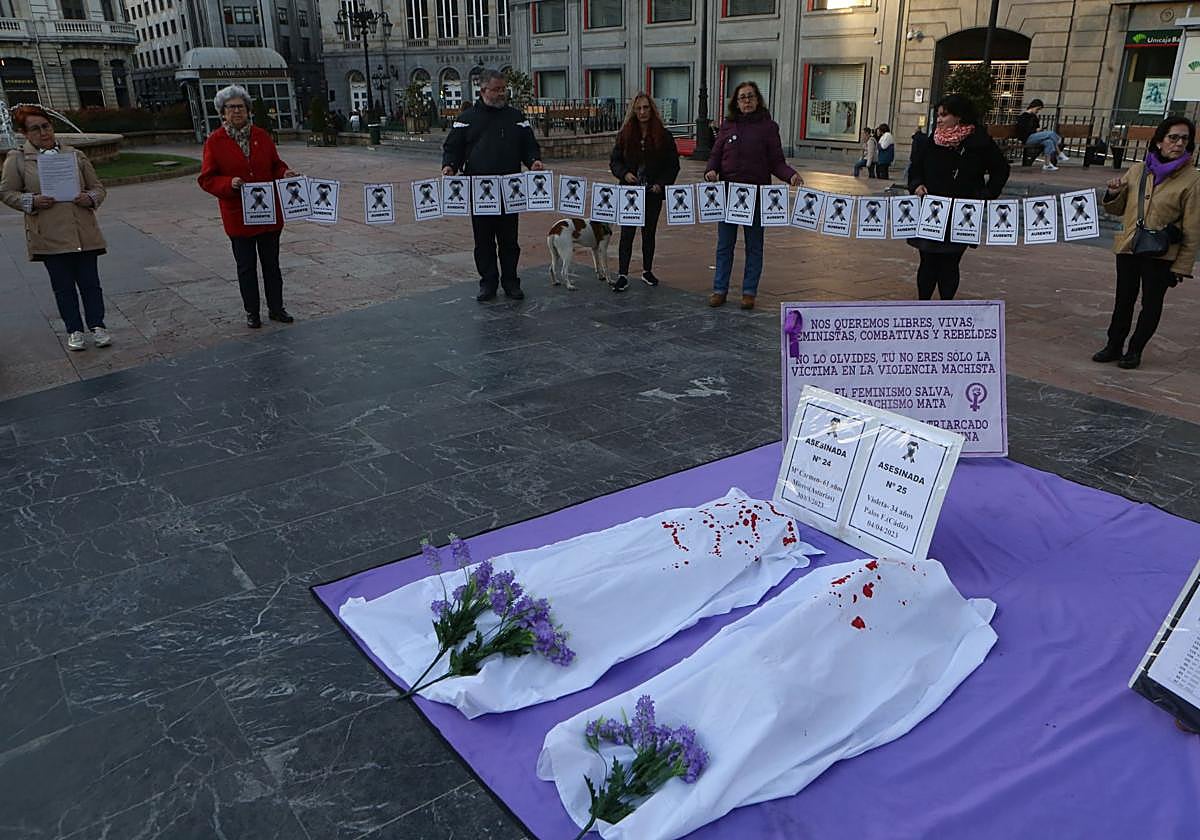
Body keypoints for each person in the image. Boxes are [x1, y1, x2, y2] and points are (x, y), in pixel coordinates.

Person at [1, 105, 112, 352]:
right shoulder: (17, 159)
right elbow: (6, 192)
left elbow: (98, 187)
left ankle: (98, 325)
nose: (43, 133)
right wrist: (31, 201)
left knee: (90, 283)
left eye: (46, 126)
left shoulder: (75, 155)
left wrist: (90, 198)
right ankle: (74, 329)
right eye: (35, 129)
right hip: (49, 233)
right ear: (24, 134)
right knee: (63, 286)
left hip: (82, 229)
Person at [1094, 116, 1200, 370]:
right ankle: (1113, 345)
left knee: (1151, 304)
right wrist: (1113, 192)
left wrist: (1181, 267)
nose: (1178, 143)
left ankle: (1134, 349)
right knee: (1123, 300)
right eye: (1173, 137)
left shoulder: (1192, 179)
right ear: (1159, 141)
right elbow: (1118, 209)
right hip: (1130, 247)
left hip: (1161, 252)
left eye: (1184, 139)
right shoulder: (1138, 170)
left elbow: (1193, 227)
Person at [198, 84, 297, 328]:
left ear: (248, 110)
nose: (236, 111)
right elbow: (207, 179)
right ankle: (252, 311)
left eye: (240, 107)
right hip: (239, 216)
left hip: (268, 214)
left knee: (272, 265)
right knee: (246, 268)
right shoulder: (215, 141)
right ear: (223, 112)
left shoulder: (261, 136)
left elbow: (275, 164)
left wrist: (284, 173)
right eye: (230, 108)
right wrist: (228, 183)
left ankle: (277, 308)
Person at [442, 68, 544, 302]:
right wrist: (449, 166)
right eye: (496, 89)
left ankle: (511, 282)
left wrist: (533, 161)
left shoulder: (516, 117)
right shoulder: (466, 119)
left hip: (510, 189)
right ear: (483, 90)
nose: (501, 94)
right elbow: (453, 148)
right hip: (479, 191)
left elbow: (529, 145)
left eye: (503, 89)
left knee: (509, 241)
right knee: (483, 241)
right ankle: (488, 282)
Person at [704, 81, 804, 310]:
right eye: (742, 97)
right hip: (729, 194)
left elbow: (776, 162)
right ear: (736, 103)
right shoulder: (728, 126)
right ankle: (720, 289)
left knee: (754, 246)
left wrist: (791, 176)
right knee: (724, 245)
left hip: (757, 196)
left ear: (757, 99)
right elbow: (715, 154)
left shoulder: (768, 127)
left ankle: (749, 292)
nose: (747, 101)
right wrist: (710, 170)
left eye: (750, 96)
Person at [906, 94, 1010, 301]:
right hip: (932, 211)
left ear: (959, 117)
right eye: (938, 115)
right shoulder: (930, 141)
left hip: (962, 213)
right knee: (927, 261)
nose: (940, 120)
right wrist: (916, 185)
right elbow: (915, 169)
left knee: (950, 262)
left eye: (944, 115)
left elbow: (1001, 169)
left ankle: (947, 306)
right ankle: (922, 304)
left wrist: (987, 193)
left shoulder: (979, 142)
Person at [608, 92, 680, 292]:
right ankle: (622, 274)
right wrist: (624, 174)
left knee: (649, 234)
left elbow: (673, 165)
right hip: (630, 193)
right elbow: (615, 162)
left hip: (652, 192)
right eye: (638, 108)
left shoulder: (664, 136)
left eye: (646, 107)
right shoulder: (624, 135)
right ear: (633, 111)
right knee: (627, 234)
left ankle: (647, 270)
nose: (642, 112)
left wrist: (661, 184)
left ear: (652, 109)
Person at [1014, 99, 1066, 172]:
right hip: (1027, 138)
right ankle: (1059, 153)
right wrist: (1035, 130)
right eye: (1037, 109)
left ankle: (1047, 164)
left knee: (1049, 141)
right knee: (1050, 133)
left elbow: (1036, 127)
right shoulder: (1023, 117)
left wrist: (1039, 129)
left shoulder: (1034, 117)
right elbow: (1023, 130)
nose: (1037, 111)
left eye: (1039, 109)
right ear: (1032, 106)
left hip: (1035, 137)